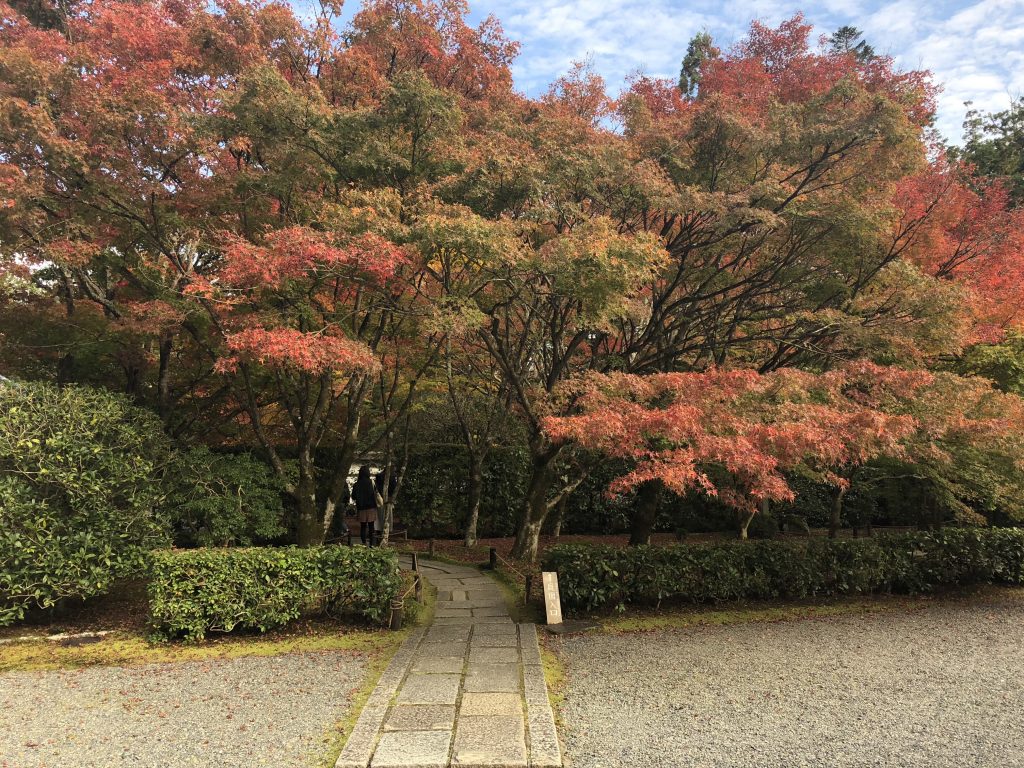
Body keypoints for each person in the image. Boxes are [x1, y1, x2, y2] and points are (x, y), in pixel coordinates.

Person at [353, 465, 379, 546]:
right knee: (371, 526)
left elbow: (353, 496)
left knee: (363, 526)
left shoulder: (356, 484)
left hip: (361, 508)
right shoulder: (371, 482)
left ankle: (363, 543)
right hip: (371, 507)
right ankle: (372, 544)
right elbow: (376, 493)